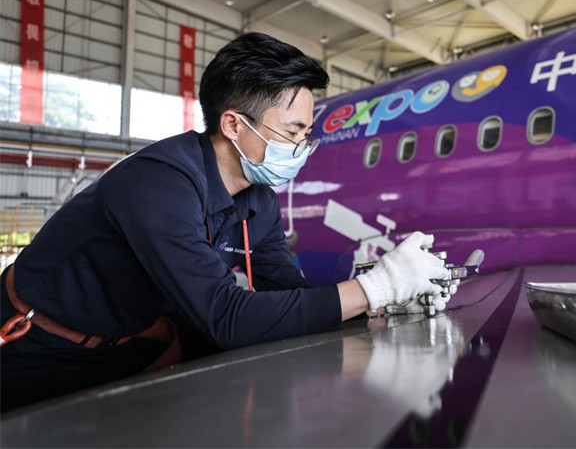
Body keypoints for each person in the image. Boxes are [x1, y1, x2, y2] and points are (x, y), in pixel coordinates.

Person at [0, 32, 450, 411]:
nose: (303, 146)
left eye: (307, 134)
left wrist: (379, 304)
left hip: (130, 345)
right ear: (234, 125)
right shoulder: (158, 183)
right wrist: (376, 286)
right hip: (37, 347)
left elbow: (286, 292)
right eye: (293, 132)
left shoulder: (259, 200)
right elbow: (225, 318)